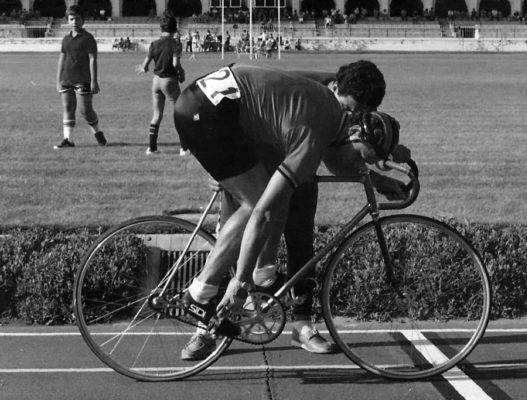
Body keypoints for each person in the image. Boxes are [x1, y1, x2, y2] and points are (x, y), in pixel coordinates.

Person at [173, 63, 409, 360]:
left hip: (216, 108)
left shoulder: (329, 110)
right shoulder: (316, 114)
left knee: (282, 208)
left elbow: (342, 148)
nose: (353, 118)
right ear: (336, 86)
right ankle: (203, 297)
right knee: (258, 205)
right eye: (352, 111)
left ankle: (269, 284)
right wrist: (240, 282)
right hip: (221, 118)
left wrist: (386, 159)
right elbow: (330, 149)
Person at [54, 5, 106, 149]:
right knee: (68, 107)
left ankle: (98, 133)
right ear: (67, 21)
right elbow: (61, 59)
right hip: (66, 78)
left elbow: (92, 60)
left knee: (85, 110)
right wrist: (58, 80)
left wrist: (94, 81)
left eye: (77, 18)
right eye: (71, 19)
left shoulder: (88, 39)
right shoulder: (65, 39)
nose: (74, 21)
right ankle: (68, 140)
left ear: (83, 20)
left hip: (83, 79)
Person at [136, 12, 188, 156]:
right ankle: (184, 148)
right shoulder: (176, 44)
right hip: (169, 80)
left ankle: (151, 148)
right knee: (180, 114)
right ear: (175, 29)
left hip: (156, 81)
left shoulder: (154, 44)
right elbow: (175, 63)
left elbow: (145, 66)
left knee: (157, 114)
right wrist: (181, 72)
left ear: (161, 28)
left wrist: (142, 68)